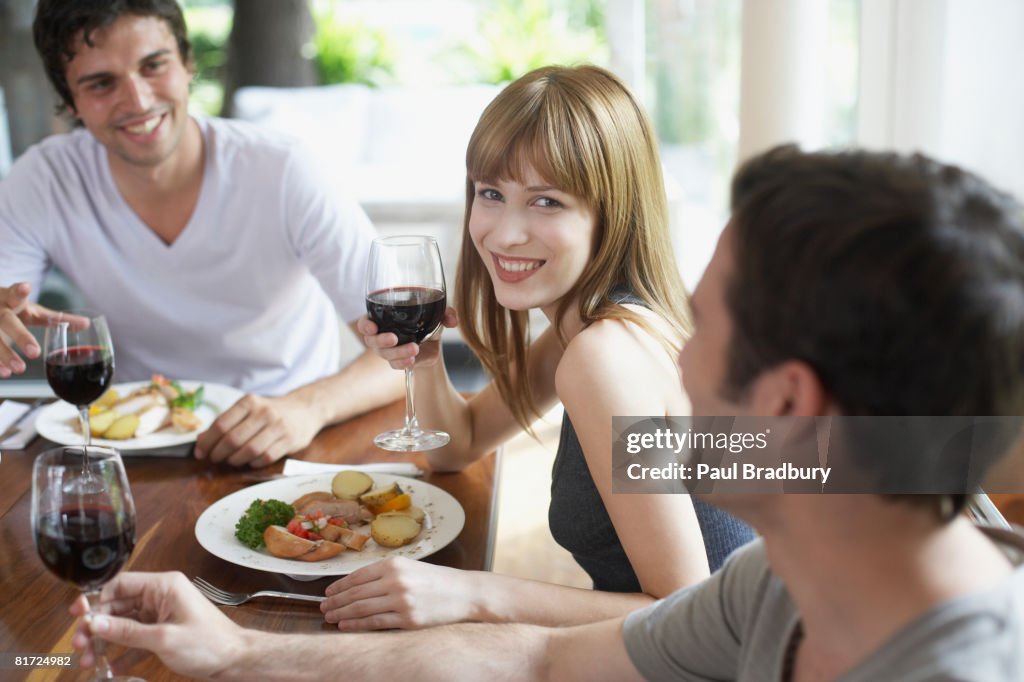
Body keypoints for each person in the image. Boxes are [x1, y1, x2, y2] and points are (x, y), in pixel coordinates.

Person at [70, 145, 1024, 680]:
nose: (679, 358)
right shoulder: (778, 585)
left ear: (789, 401)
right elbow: (535, 658)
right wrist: (235, 651)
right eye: (490, 193)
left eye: (711, 327)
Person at [324, 64, 756, 630]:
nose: (504, 233)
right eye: (491, 194)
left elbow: (683, 614)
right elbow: (461, 445)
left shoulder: (605, 356)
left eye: (546, 202)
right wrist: (424, 360)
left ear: (612, 212)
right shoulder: (589, 326)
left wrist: (471, 595)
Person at [0, 0, 403, 466]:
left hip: (289, 440)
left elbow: (405, 354)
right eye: (101, 83)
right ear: (69, 101)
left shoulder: (284, 169)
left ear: (188, 64)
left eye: (153, 65)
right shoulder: (43, 179)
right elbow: (6, 298)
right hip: (133, 447)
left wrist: (308, 407)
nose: (138, 100)